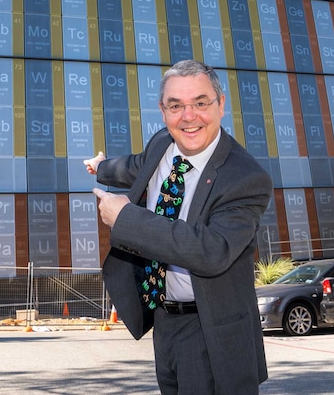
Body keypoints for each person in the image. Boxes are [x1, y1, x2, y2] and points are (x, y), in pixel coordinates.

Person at [84, 59, 273, 395]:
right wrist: (102, 168)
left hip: (212, 331)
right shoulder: (163, 144)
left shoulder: (246, 177)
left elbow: (211, 249)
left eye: (200, 103)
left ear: (221, 105)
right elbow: (137, 167)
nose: (189, 116)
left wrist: (126, 218)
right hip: (163, 321)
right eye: (176, 106)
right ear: (163, 110)